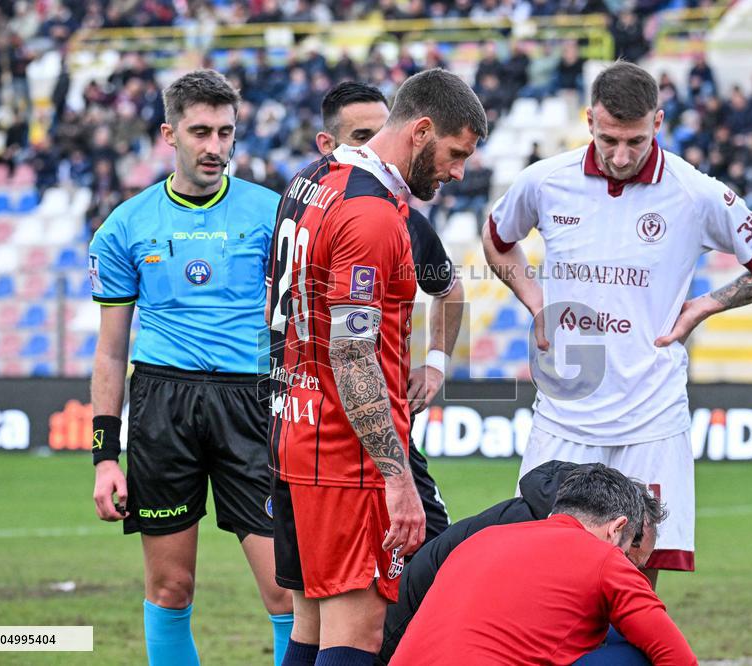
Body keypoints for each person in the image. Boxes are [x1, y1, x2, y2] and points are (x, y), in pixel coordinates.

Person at [483, 61, 752, 585]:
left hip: (651, 414)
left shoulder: (695, 192)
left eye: (635, 140)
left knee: (638, 574)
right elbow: (497, 238)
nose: (622, 155)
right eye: (609, 139)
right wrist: (536, 300)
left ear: (658, 122)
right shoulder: (543, 182)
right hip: (565, 414)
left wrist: (704, 306)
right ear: (589, 121)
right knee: (541, 568)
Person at [267, 69, 487, 666]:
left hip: (297, 431)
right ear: (420, 131)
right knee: (359, 636)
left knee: (309, 625)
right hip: (347, 457)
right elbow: (352, 352)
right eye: (455, 153)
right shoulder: (373, 216)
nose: (459, 171)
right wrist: (397, 478)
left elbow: (277, 309)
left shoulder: (311, 183)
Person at [88, 69, 293, 666]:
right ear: (168, 134)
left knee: (284, 590)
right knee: (170, 589)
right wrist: (105, 457)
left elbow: (297, 322)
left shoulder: (272, 213)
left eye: (226, 132)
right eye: (200, 132)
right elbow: (109, 351)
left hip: (251, 405)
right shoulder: (126, 224)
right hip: (163, 404)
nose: (215, 147)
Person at [314, 80, 465, 543]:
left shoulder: (404, 221)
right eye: (363, 137)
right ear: (328, 144)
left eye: (385, 131)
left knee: (429, 562)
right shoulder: (360, 213)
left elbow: (450, 292)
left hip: (365, 431)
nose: (382, 148)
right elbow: (346, 350)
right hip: (338, 437)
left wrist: (436, 364)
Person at [391, 464, 697, 665]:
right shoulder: (604, 559)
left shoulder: (487, 538)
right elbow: (678, 657)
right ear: (617, 528)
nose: (630, 566)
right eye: (629, 553)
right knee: (635, 654)